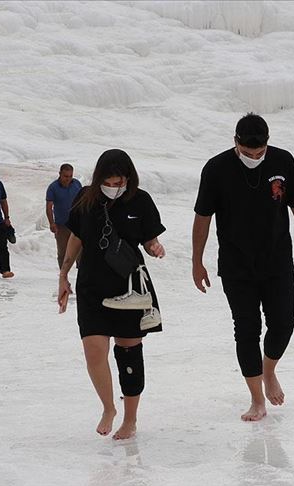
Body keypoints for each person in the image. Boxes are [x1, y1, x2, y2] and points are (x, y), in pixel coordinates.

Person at [192, 113, 294, 422]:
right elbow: (202, 217)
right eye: (247, 153)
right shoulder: (216, 169)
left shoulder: (283, 161)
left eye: (259, 153)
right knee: (247, 329)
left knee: (284, 322)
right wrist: (196, 260)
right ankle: (256, 399)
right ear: (235, 143)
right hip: (236, 264)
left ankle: (269, 371)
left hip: (277, 258)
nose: (254, 158)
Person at [57, 149, 166, 440]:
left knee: (129, 353)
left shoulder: (140, 200)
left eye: (120, 182)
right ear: (99, 178)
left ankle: (130, 419)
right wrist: (63, 275)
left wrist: (155, 247)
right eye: (110, 182)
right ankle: (108, 407)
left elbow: (149, 238)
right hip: (92, 284)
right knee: (94, 349)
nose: (115, 187)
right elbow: (75, 238)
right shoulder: (86, 199)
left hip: (129, 288)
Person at [46, 163, 82, 269]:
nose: (68, 179)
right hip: (61, 225)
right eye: (66, 176)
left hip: (77, 223)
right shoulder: (53, 187)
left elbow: (82, 201)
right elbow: (49, 207)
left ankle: (81, 273)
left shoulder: (77, 184)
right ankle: (63, 275)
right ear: (60, 174)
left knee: (80, 251)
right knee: (62, 252)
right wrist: (51, 223)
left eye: (70, 176)